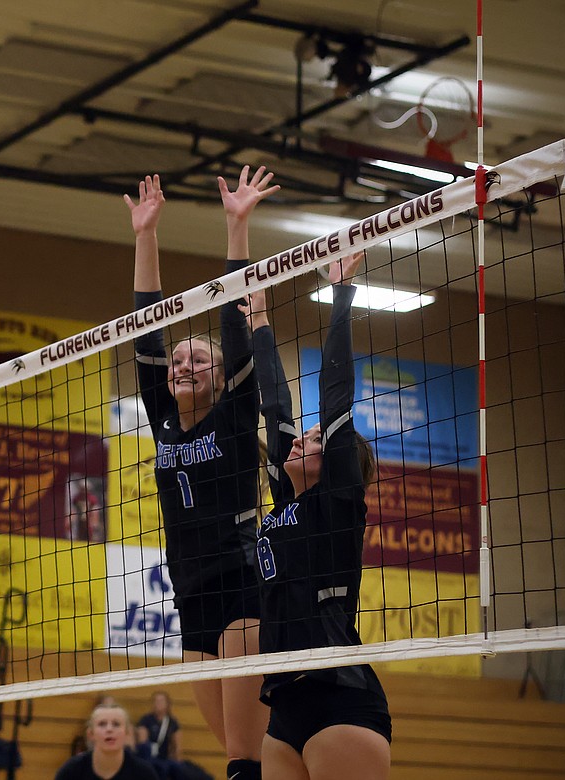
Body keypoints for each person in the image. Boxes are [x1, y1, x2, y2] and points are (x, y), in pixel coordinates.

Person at [125, 168, 277, 780]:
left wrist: (236, 226)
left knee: (244, 755)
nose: (184, 364)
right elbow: (145, 329)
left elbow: (235, 334)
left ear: (219, 378)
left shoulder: (236, 419)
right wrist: (146, 234)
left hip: (242, 586)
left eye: (200, 360)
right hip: (189, 594)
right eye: (179, 359)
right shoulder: (162, 417)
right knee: (244, 755)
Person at [243, 250, 392, 780]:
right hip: (283, 704)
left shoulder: (338, 504)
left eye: (314, 439)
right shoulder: (288, 499)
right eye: (303, 437)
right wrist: (259, 320)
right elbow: (275, 407)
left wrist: (342, 293)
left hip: (339, 697)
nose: (302, 438)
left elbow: (335, 399)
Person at [55, 704, 160, 780]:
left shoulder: (144, 773)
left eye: (116, 724)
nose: (109, 729)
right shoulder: (72, 770)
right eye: (102, 724)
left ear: (127, 733)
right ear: (90, 734)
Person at [135, 691, 181, 779]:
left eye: (161, 701)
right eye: (156, 701)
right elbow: (142, 743)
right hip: (149, 759)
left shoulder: (172, 722)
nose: (159, 703)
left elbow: (177, 747)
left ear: (168, 704)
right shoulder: (146, 720)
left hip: (165, 760)